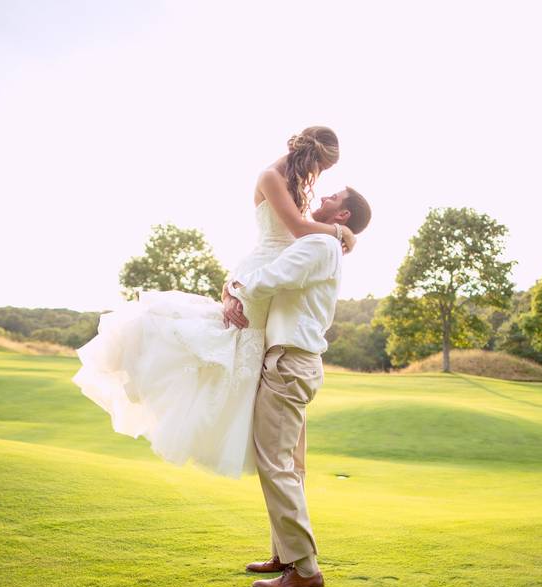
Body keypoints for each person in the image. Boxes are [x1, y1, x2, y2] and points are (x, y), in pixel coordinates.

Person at [71, 126, 356, 479]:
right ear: (312, 157)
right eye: (321, 168)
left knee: (250, 353)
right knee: (233, 342)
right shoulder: (270, 176)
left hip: (272, 277)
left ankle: (276, 441)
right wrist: (342, 233)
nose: (319, 177)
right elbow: (297, 228)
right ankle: (210, 420)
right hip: (261, 272)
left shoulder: (296, 184)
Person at [225, 187, 372, 587]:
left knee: (276, 463)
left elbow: (273, 277)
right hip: (296, 361)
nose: (323, 196)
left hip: (290, 363)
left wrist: (232, 289)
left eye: (333, 196)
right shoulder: (328, 242)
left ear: (341, 215)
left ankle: (304, 569)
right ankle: (284, 552)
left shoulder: (321, 243)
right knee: (290, 464)